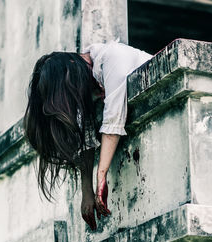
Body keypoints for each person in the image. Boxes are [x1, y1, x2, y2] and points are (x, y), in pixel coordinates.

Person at [23, 39, 152, 231]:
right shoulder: (86, 79)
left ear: (74, 64)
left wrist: (101, 175)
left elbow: (113, 119)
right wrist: (86, 190)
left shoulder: (113, 56)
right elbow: (86, 135)